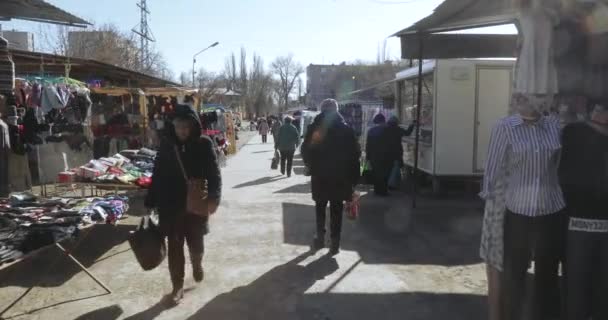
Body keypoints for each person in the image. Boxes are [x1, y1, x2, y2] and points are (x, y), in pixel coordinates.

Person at [482, 94, 565, 320]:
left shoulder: (553, 126)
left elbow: (557, 164)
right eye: (531, 97)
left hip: (551, 209)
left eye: (540, 97)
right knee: (514, 275)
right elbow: (492, 169)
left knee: (547, 275)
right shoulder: (504, 127)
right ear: (518, 100)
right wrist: (492, 212)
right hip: (518, 211)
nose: (537, 102)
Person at [144, 104, 222, 305]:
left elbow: (214, 173)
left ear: (194, 125)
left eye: (186, 127)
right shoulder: (167, 144)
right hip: (171, 205)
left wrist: (214, 197)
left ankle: (197, 263)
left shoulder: (204, 143)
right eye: (179, 127)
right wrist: (151, 199)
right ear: (173, 126)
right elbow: (158, 173)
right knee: (175, 248)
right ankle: (177, 286)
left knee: (196, 243)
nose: (182, 131)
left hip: (195, 205)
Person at [559, 104, 608, 320]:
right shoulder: (573, 132)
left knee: (595, 286)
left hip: (586, 223)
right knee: (580, 285)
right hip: (577, 222)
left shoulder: (572, 132)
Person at [302, 99, 360, 255]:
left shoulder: (315, 128)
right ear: (336, 110)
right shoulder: (346, 130)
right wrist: (355, 178)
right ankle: (335, 243)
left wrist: (310, 165)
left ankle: (320, 238)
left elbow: (306, 150)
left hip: (320, 175)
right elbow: (355, 155)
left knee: (320, 206)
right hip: (341, 177)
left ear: (322, 110)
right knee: (336, 208)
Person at [365, 113, 390, 196]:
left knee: (376, 173)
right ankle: (384, 190)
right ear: (383, 120)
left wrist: (367, 156)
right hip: (386, 155)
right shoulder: (388, 130)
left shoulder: (371, 131)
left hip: (374, 155)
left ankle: (377, 189)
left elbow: (368, 145)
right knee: (385, 173)